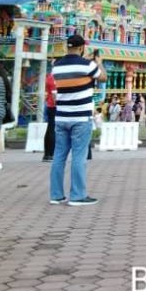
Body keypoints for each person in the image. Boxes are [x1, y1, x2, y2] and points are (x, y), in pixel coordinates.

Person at [49, 34, 106, 206]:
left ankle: (56, 195)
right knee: (78, 157)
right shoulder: (88, 65)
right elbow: (103, 77)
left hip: (61, 117)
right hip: (80, 117)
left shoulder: (56, 66)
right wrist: (98, 62)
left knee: (59, 156)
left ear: (68, 47)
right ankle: (77, 195)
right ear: (82, 48)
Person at [43, 69, 57, 160]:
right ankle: (50, 153)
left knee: (50, 128)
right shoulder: (54, 78)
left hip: (50, 105)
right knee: (52, 129)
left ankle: (47, 153)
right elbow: (54, 93)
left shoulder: (49, 77)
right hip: (55, 106)